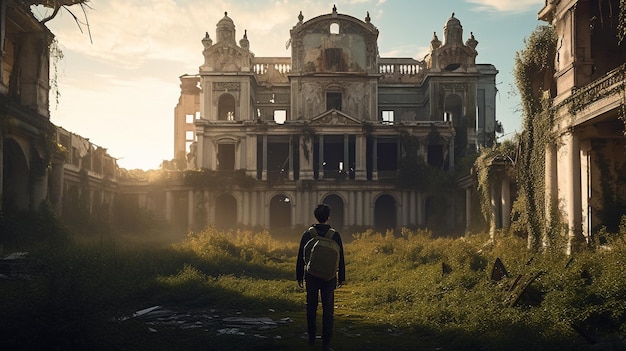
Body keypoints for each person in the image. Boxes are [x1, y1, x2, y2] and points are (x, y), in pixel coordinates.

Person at [296, 204, 345, 351]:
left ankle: (311, 338)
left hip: (311, 275)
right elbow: (340, 257)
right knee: (328, 309)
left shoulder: (308, 234)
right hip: (329, 277)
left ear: (315, 216)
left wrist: (299, 275)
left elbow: (301, 257)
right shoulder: (334, 235)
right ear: (328, 216)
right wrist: (341, 276)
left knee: (311, 307)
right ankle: (326, 343)